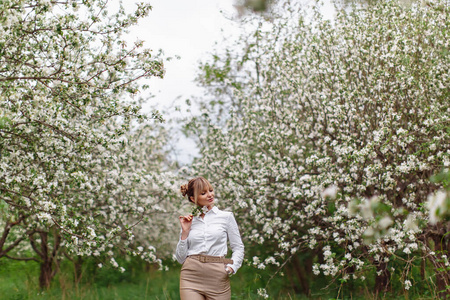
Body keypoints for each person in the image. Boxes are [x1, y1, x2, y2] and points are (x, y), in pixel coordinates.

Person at [175, 176, 245, 300]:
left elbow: (238, 247)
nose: (209, 195)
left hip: (217, 275)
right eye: (203, 193)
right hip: (191, 275)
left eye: (210, 190)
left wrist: (231, 268)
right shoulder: (189, 221)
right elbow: (181, 259)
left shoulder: (226, 217)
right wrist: (184, 233)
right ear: (193, 198)